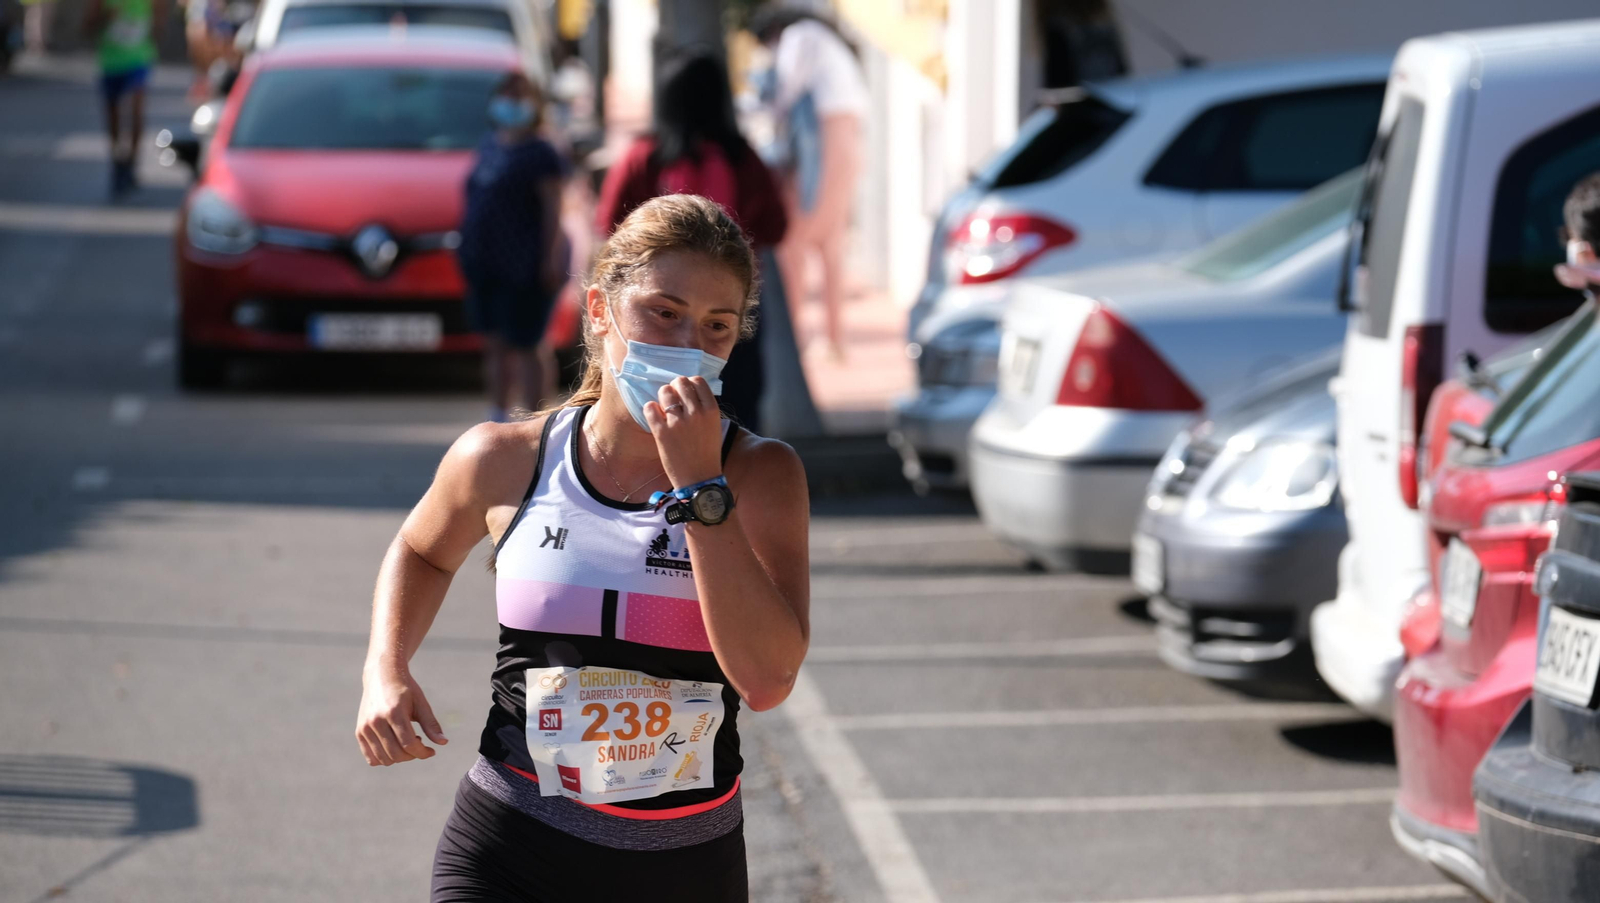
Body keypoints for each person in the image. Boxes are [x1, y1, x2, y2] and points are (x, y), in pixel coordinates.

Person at [355, 194, 811, 902]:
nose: (687, 345)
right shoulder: (501, 458)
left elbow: (767, 678)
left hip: (682, 862)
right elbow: (422, 549)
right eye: (663, 312)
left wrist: (700, 489)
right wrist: (385, 667)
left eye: (716, 327)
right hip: (511, 843)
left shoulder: (761, 476)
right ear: (599, 311)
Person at [595, 52, 787, 432]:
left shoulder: (643, 158)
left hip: (655, 307)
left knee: (649, 412)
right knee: (738, 415)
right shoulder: (743, 158)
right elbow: (777, 226)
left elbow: (608, 224)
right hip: (731, 308)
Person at [754, 8, 867, 360]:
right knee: (830, 245)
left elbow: (785, 91)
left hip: (824, 144)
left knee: (793, 241)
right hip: (843, 142)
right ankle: (834, 339)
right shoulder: (826, 40)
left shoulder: (798, 36)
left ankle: (793, 337)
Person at [458, 72, 568, 423]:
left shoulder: (542, 152)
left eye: (520, 95)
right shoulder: (490, 143)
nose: (512, 101)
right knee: (495, 343)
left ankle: (536, 419)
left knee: (527, 343)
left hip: (525, 263)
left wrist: (550, 259)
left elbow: (554, 209)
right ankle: (498, 415)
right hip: (485, 261)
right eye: (506, 93)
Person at [83, 0, 164, 197]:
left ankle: (132, 163)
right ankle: (117, 160)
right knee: (113, 114)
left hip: (138, 60)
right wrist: (105, 17)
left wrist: (151, 38)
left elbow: (159, 21)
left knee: (135, 108)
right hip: (111, 62)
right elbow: (86, 27)